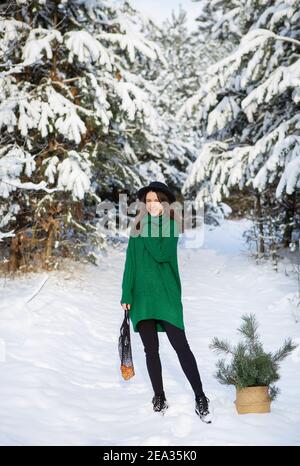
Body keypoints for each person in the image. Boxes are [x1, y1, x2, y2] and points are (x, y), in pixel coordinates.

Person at [120, 181, 212, 423]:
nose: (151, 205)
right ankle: (159, 395)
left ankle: (200, 395)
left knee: (181, 347)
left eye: (156, 201)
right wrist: (126, 294)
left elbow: (161, 254)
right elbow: (130, 262)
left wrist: (146, 225)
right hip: (141, 297)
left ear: (165, 203)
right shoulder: (137, 227)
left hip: (166, 295)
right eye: (147, 201)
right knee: (151, 351)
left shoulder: (172, 225)